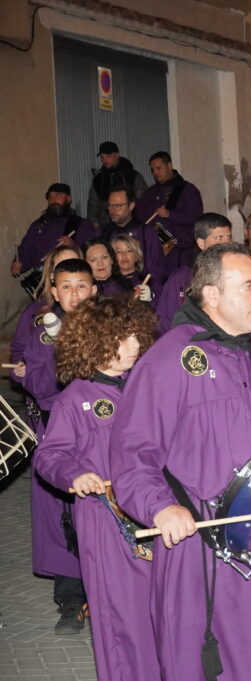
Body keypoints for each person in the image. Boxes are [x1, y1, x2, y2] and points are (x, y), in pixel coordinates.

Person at [108, 243, 251, 681]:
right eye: (248, 286)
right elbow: (133, 452)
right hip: (204, 540)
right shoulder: (170, 358)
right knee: (218, 661)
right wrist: (160, 507)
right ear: (212, 295)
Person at [33, 295, 159, 679]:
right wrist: (74, 475)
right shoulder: (76, 397)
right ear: (99, 341)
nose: (135, 344)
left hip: (150, 510)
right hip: (105, 520)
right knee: (120, 612)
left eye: (136, 335)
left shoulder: (143, 387)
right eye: (124, 337)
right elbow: (49, 455)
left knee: (156, 607)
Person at [23, 258, 98, 634]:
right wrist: (60, 350)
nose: (74, 294)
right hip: (60, 434)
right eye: (66, 287)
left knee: (104, 514)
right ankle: (70, 599)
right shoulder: (43, 335)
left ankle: (108, 594)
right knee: (63, 518)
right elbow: (38, 386)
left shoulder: (110, 328)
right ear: (54, 292)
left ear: (94, 289)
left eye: (82, 286)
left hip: (101, 433)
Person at [156, 212, 233, 334]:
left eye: (228, 237)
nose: (227, 244)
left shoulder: (236, 277)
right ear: (201, 243)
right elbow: (164, 322)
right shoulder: (181, 278)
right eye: (219, 238)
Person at [133, 151, 204, 269]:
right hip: (158, 250)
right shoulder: (149, 193)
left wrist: (170, 214)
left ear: (169, 166)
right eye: (152, 170)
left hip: (183, 250)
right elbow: (139, 215)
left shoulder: (187, 190)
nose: (155, 173)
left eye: (158, 168)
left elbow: (196, 217)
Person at [12, 183, 88, 277]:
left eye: (58, 195)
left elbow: (91, 253)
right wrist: (19, 262)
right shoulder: (39, 225)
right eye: (50, 197)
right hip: (42, 279)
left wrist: (74, 247)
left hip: (72, 277)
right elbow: (25, 249)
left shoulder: (82, 225)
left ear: (69, 199)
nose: (53, 200)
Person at [98, 187, 167, 283]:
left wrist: (147, 287)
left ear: (131, 206)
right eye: (110, 205)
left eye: (117, 206)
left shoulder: (145, 231)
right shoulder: (105, 232)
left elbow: (157, 268)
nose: (112, 210)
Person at [87, 141, 148, 226]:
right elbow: (93, 204)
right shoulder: (98, 180)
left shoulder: (132, 176)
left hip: (130, 224)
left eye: (108, 156)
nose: (105, 160)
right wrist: (93, 223)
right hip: (106, 226)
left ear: (117, 155)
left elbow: (143, 200)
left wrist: (139, 222)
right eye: (102, 157)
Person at [110, 235, 157, 304]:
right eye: (119, 252)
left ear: (137, 256)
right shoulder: (110, 284)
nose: (124, 255)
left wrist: (150, 297)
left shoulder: (151, 282)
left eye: (129, 251)